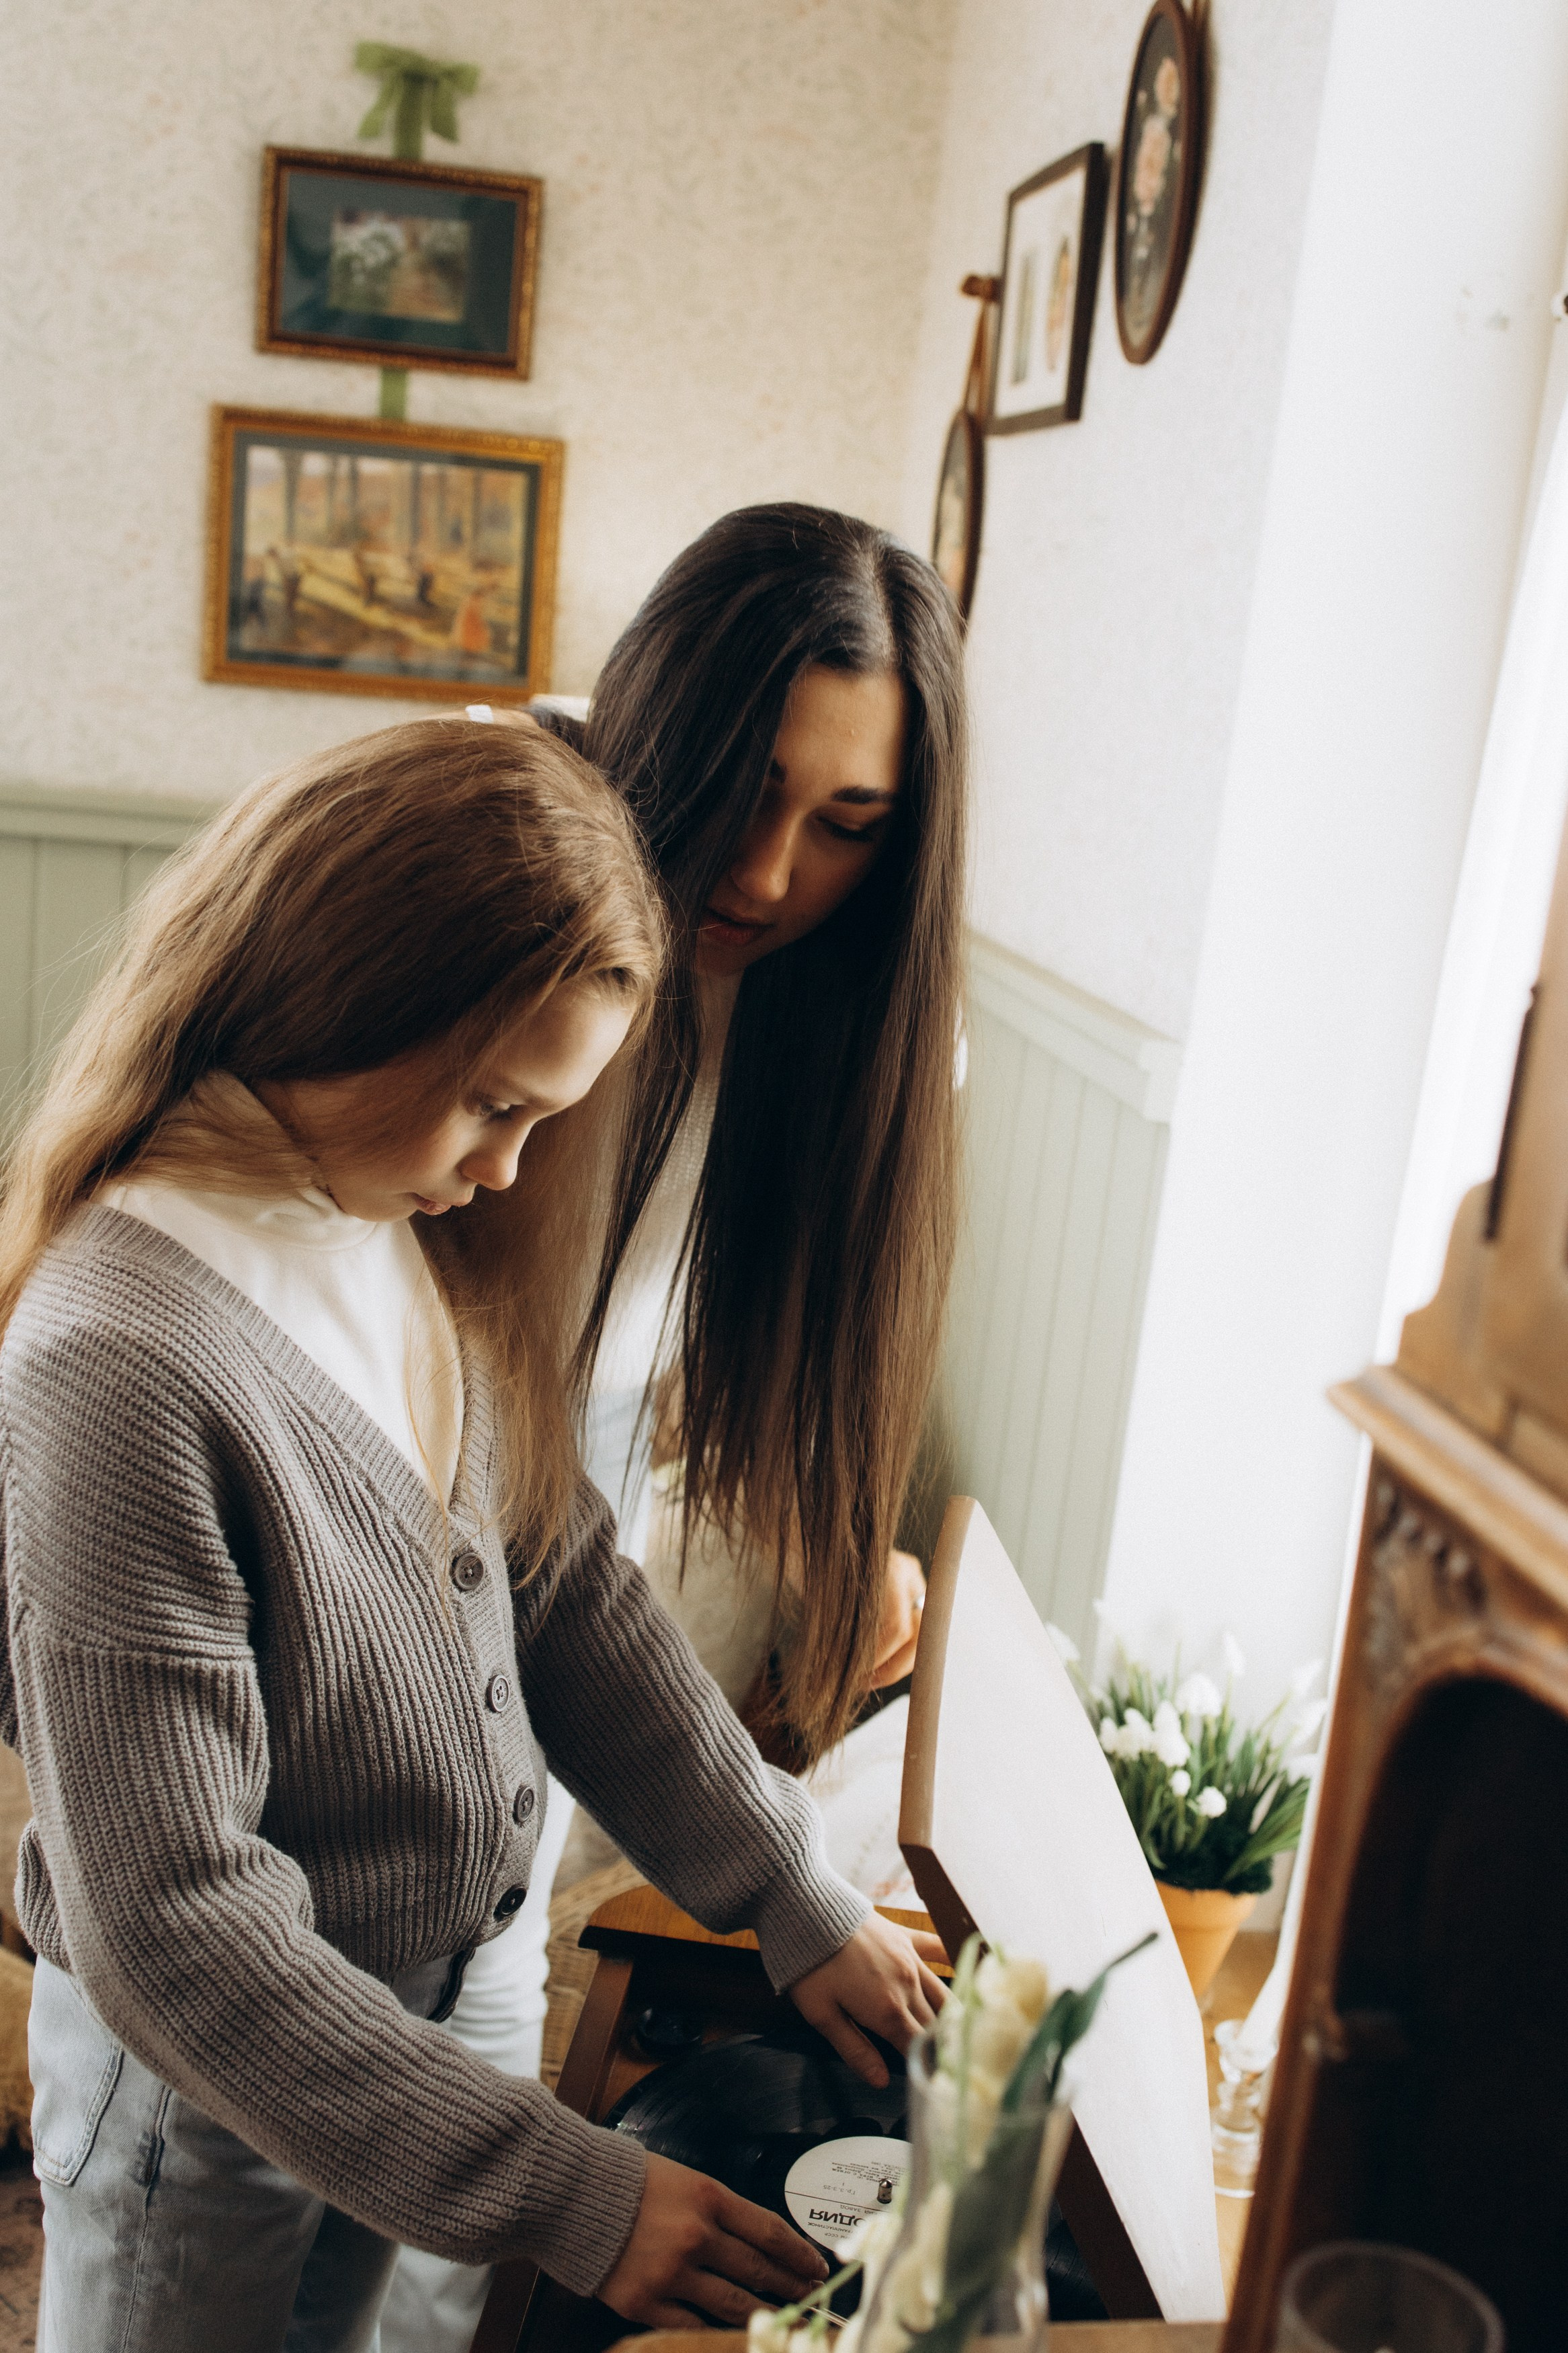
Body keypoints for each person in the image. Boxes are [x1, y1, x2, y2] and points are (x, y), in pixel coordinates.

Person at [0, 718, 946, 2353]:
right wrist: (570, 2189)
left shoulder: (388, 1216)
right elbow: (172, 1920)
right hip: (207, 2106)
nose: (507, 1168)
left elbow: (561, 1578)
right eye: (492, 1105)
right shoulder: (121, 1353)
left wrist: (790, 1883)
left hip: (428, 2014)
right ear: (342, 1003)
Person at [382, 503, 967, 2352]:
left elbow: (569, 1507)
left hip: (519, 1680)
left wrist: (790, 1875)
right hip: (355, 1619)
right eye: (749, 786)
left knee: (422, 2268)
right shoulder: (486, 878)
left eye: (852, 828)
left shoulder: (841, 1024)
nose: (775, 868)